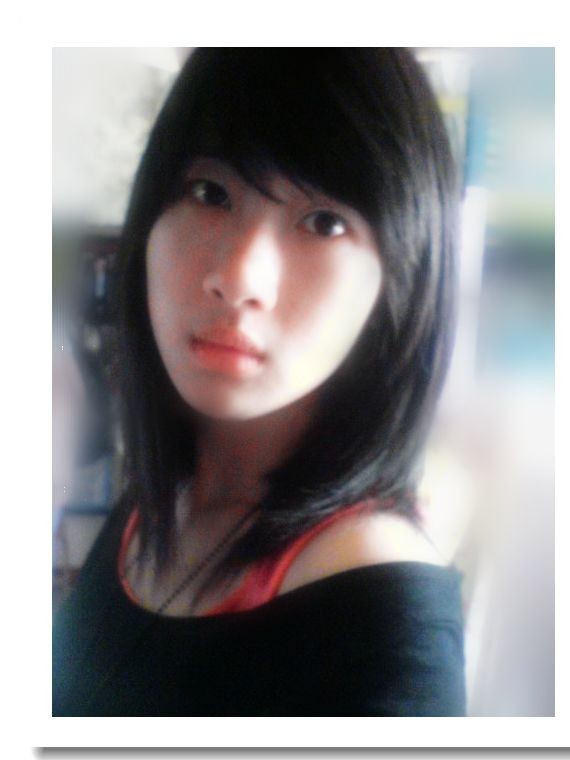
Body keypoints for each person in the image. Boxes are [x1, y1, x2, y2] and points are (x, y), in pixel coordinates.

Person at [53, 47, 466, 717]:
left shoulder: (383, 622)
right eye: (210, 193)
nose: (239, 276)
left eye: (324, 222)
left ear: (398, 284)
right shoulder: (158, 503)